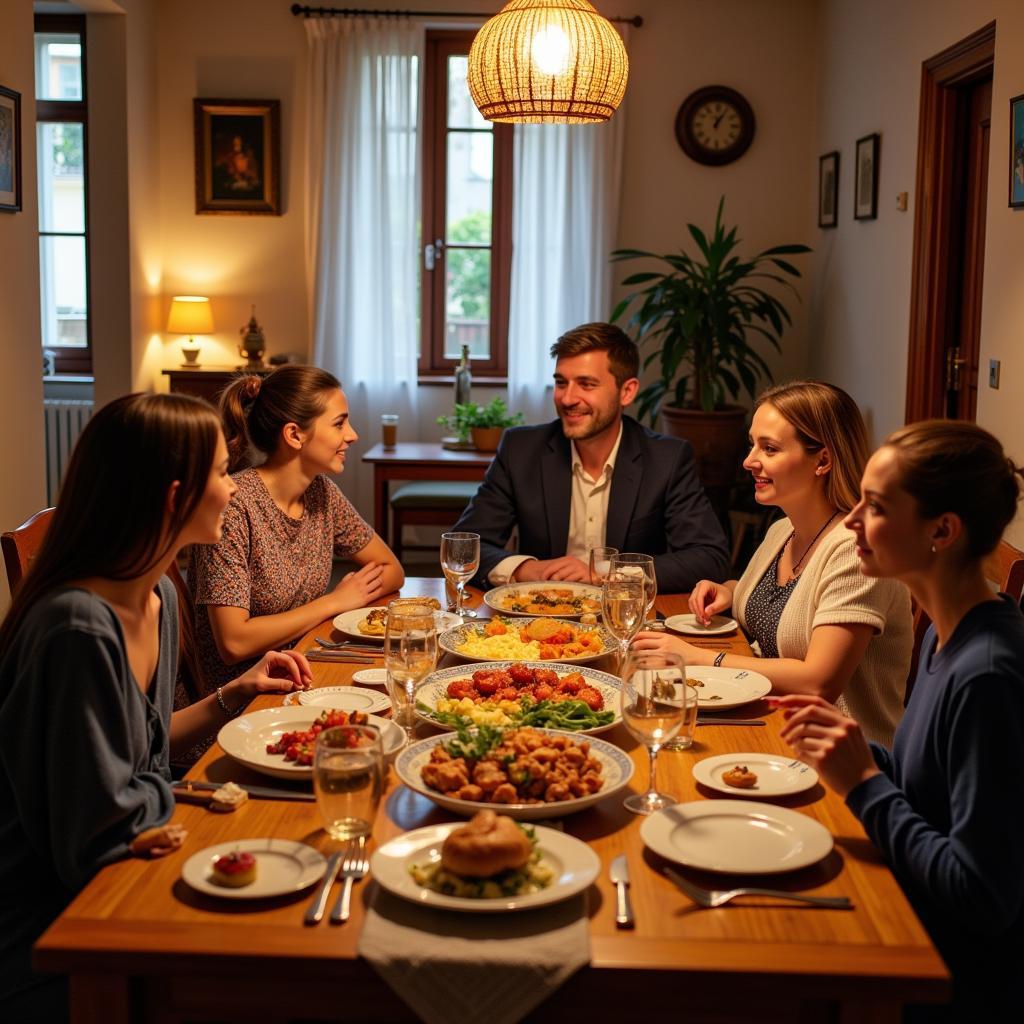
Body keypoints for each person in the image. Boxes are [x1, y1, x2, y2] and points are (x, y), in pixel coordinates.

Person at [0, 393, 311, 1019]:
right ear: (175, 498)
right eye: (224, 473)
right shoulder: (80, 628)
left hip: (121, 859)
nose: (234, 488)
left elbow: (142, 749)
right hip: (57, 922)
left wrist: (235, 694)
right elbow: (100, 832)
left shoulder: (154, 599)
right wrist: (216, 806)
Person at [776, 420, 1024, 1020]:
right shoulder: (945, 631)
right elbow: (931, 789)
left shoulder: (987, 674)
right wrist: (857, 748)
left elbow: (982, 896)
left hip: (941, 974)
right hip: (909, 911)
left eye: (876, 506)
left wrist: (862, 781)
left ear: (942, 530)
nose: (853, 519)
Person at [635, 380, 912, 745]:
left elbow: (818, 681)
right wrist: (729, 591)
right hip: (775, 726)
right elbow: (780, 597)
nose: (749, 461)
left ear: (823, 460)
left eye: (769, 448)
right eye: (753, 444)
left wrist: (696, 657)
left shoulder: (855, 549)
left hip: (843, 757)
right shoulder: (784, 529)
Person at [452, 323, 729, 592]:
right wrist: (526, 570)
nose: (568, 398)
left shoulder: (666, 459)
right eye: (561, 383)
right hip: (539, 623)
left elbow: (709, 558)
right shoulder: (521, 450)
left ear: (627, 391)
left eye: (586, 384)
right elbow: (462, 548)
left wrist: (607, 572)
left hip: (624, 621)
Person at [190, 365, 404, 692]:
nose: (352, 435)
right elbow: (234, 643)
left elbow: (392, 570)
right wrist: (334, 603)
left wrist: (348, 597)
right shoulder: (234, 506)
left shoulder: (322, 493)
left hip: (304, 669)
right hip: (243, 698)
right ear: (294, 435)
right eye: (339, 423)